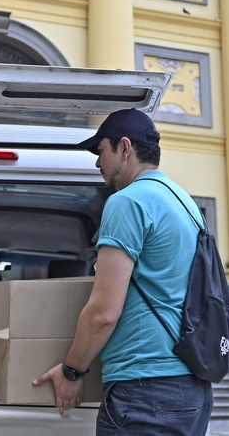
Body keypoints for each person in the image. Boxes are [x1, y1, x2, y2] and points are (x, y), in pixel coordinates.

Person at [33, 109, 213, 435]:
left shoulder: (127, 202)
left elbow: (103, 312)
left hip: (145, 394)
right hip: (191, 390)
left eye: (101, 151)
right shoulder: (184, 203)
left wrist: (72, 371)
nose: (97, 162)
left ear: (125, 148)